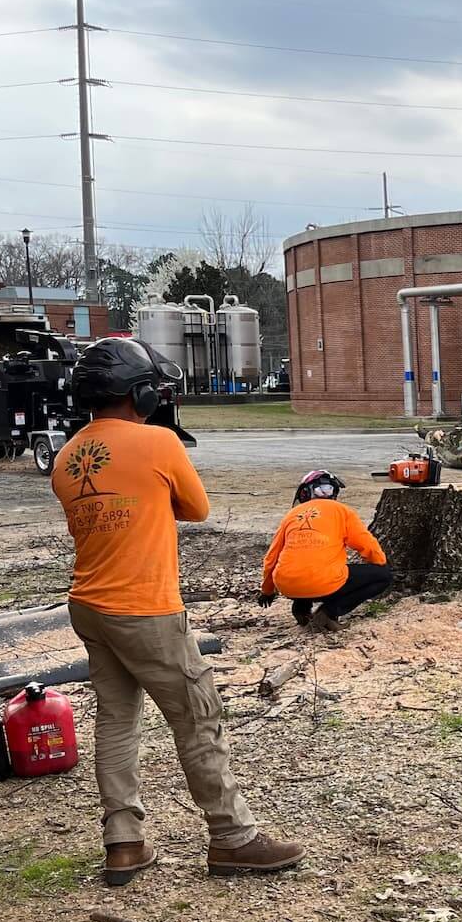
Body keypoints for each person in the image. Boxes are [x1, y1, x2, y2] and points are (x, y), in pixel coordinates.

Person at [52, 337, 303, 887]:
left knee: (117, 720)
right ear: (138, 393)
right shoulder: (159, 443)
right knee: (198, 717)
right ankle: (233, 839)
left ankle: (123, 843)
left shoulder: (66, 458)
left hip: (87, 606)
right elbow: (197, 508)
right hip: (144, 608)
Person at [260, 470, 391, 632]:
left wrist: (267, 590)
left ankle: (301, 609)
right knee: (382, 577)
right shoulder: (342, 511)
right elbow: (367, 544)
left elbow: (271, 557)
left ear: (305, 491)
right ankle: (329, 612)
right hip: (324, 583)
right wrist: (379, 564)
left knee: (307, 568)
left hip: (287, 585)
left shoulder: (292, 515)